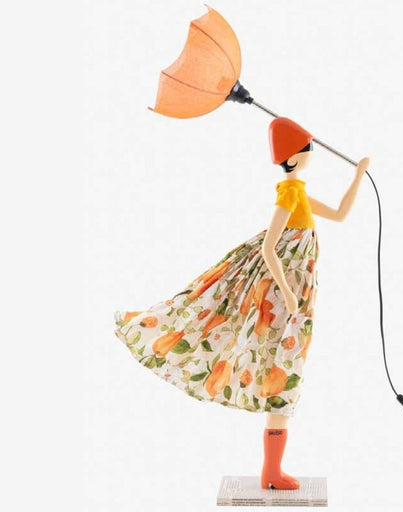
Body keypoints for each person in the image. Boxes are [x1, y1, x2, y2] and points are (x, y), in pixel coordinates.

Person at [114, 117, 369, 490]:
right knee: (284, 368)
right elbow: (269, 248)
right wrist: (287, 294)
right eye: (307, 149)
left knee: (285, 369)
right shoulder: (289, 193)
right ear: (293, 158)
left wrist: (358, 176)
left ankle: (272, 471)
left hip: (296, 296)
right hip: (284, 300)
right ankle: (271, 472)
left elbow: (340, 214)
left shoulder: (297, 191)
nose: (311, 154)